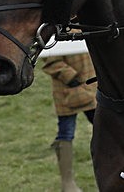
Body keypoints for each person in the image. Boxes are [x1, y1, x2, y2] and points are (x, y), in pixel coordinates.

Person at [41, 52, 97, 192]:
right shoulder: (56, 31)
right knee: (66, 133)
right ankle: (67, 184)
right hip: (67, 92)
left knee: (105, 130)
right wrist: (71, 77)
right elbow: (51, 61)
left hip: (91, 88)